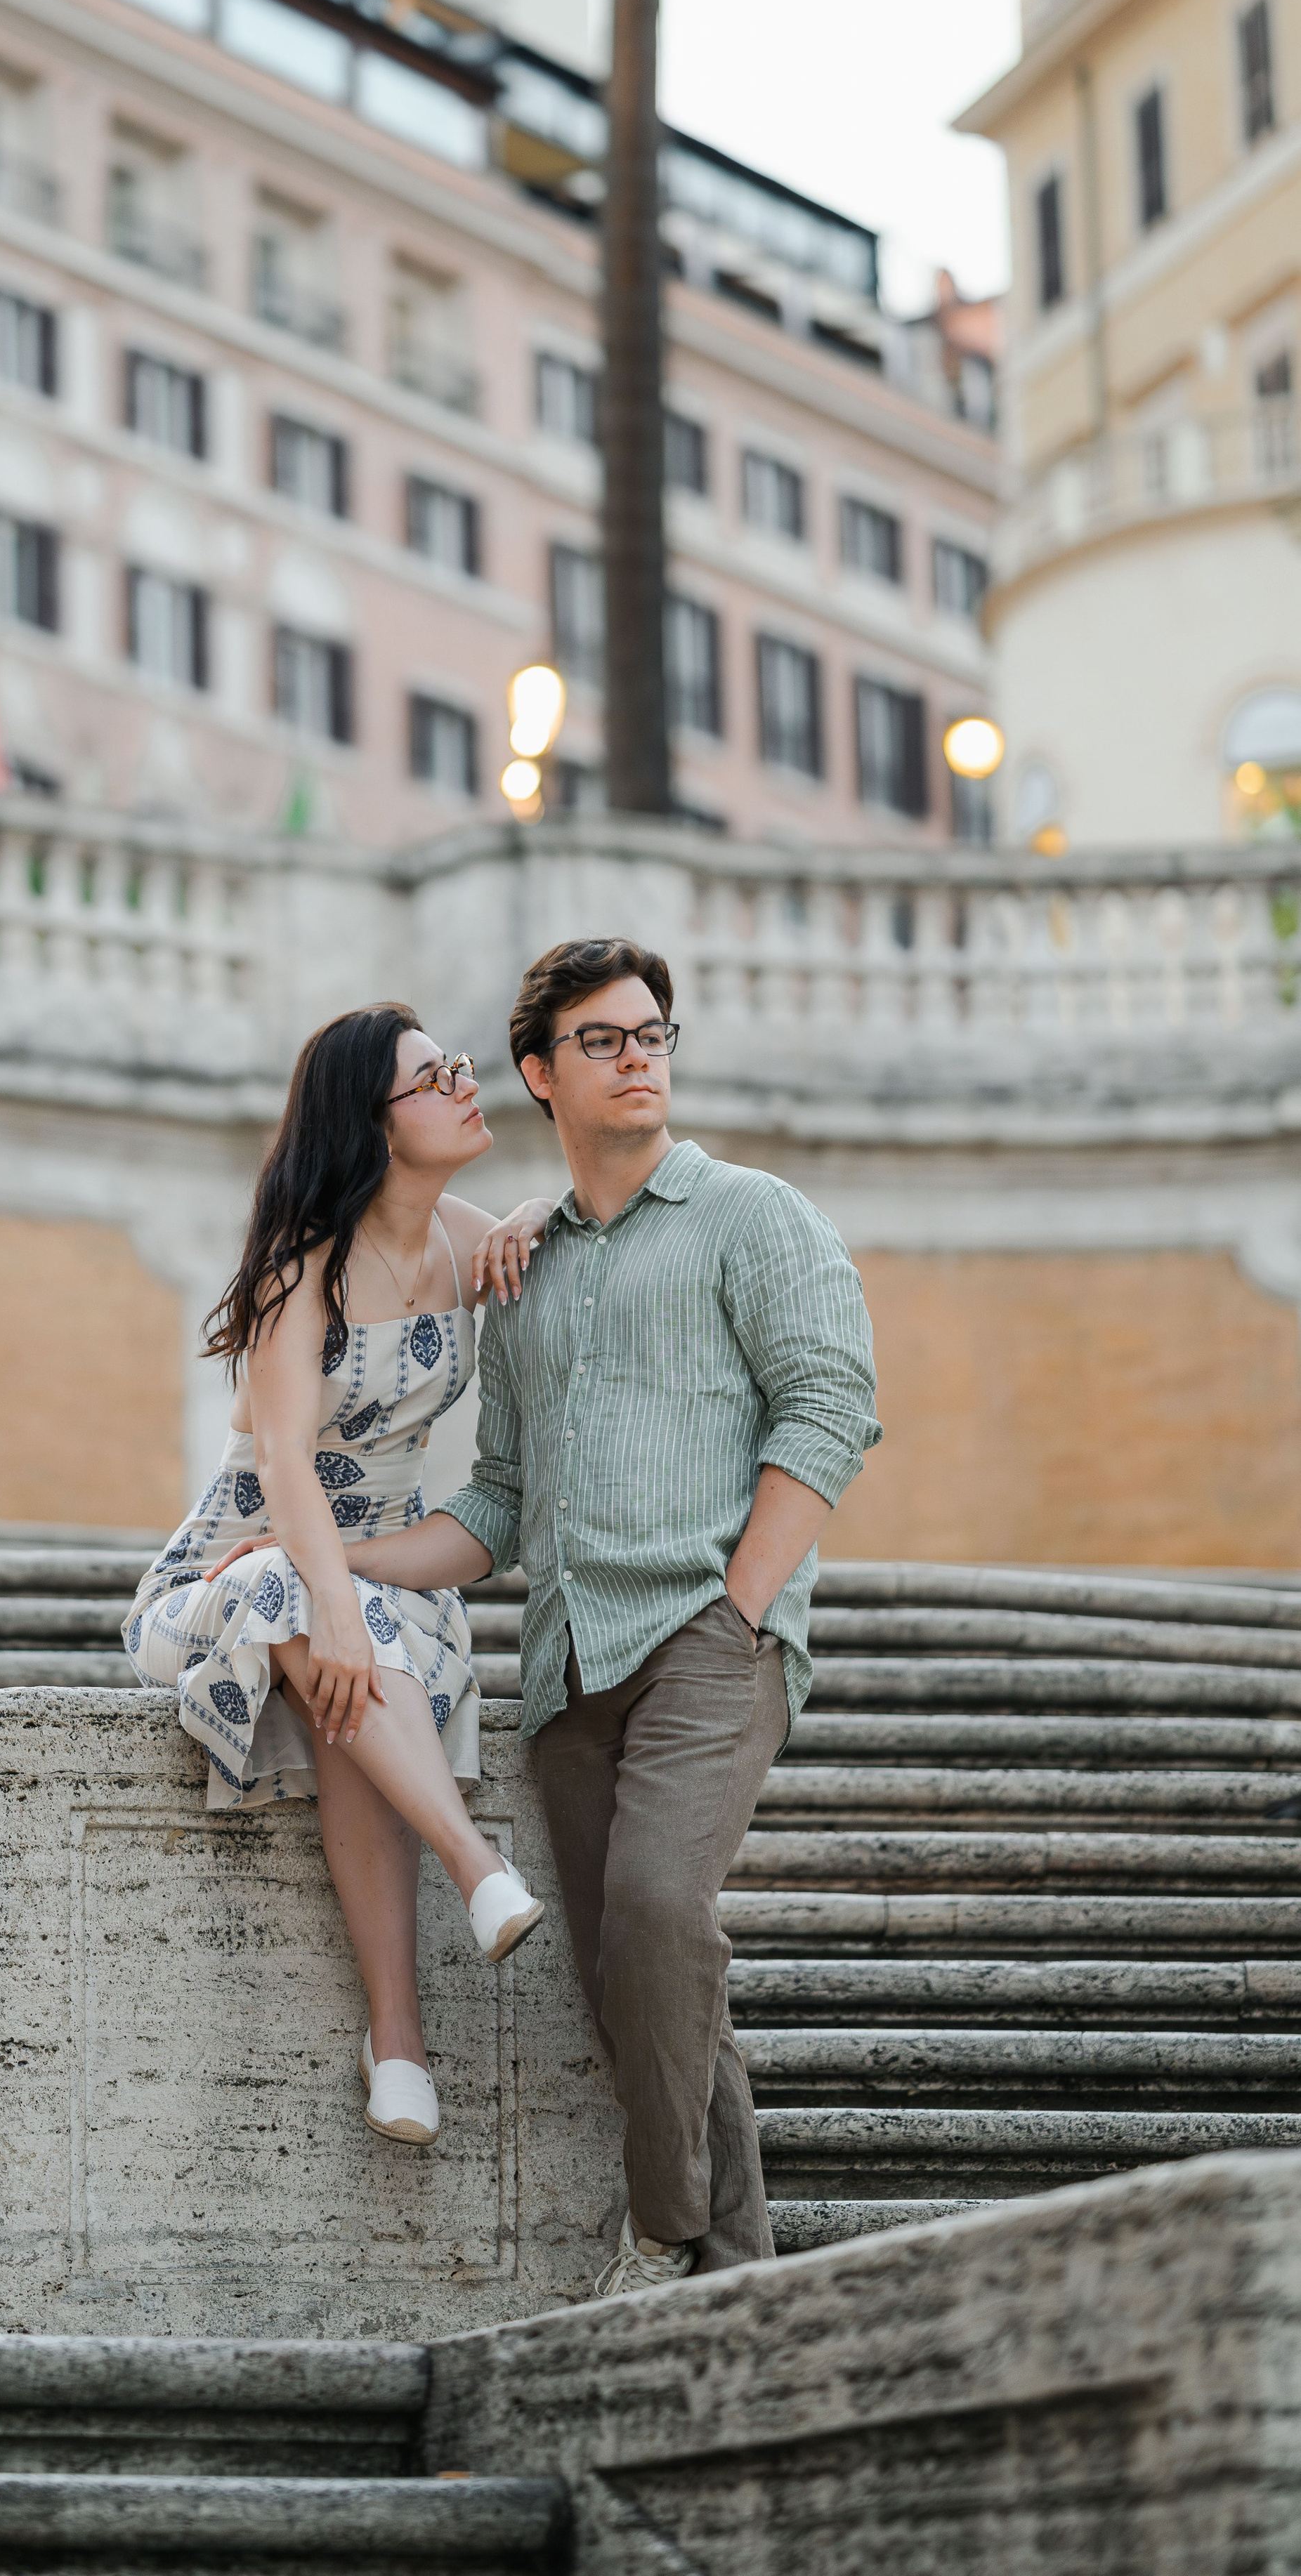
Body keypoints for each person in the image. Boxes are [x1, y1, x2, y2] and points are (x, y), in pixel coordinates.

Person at [313, 937, 882, 2294]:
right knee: (646, 1976)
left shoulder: (755, 1215)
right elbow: (497, 1505)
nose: (640, 1059)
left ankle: (658, 2230)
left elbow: (832, 1410)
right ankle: (735, 2272)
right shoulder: (525, 1273)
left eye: (654, 1035)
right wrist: (336, 1563)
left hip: (708, 1636)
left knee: (655, 1908)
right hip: (570, 1667)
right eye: (607, 1041)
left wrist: (743, 1611)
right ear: (539, 1074)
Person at [125, 1004, 554, 2149]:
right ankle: (474, 1863)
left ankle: (398, 2044)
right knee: (314, 1617)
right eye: (435, 1078)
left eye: (459, 1069)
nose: (468, 1088)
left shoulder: (465, 1242)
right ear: (373, 1122)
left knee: (353, 1674)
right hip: (241, 1563)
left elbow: (572, 1225)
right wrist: (326, 1597)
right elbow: (283, 1467)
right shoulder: (302, 1269)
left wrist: (532, 1215)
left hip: (390, 1566)